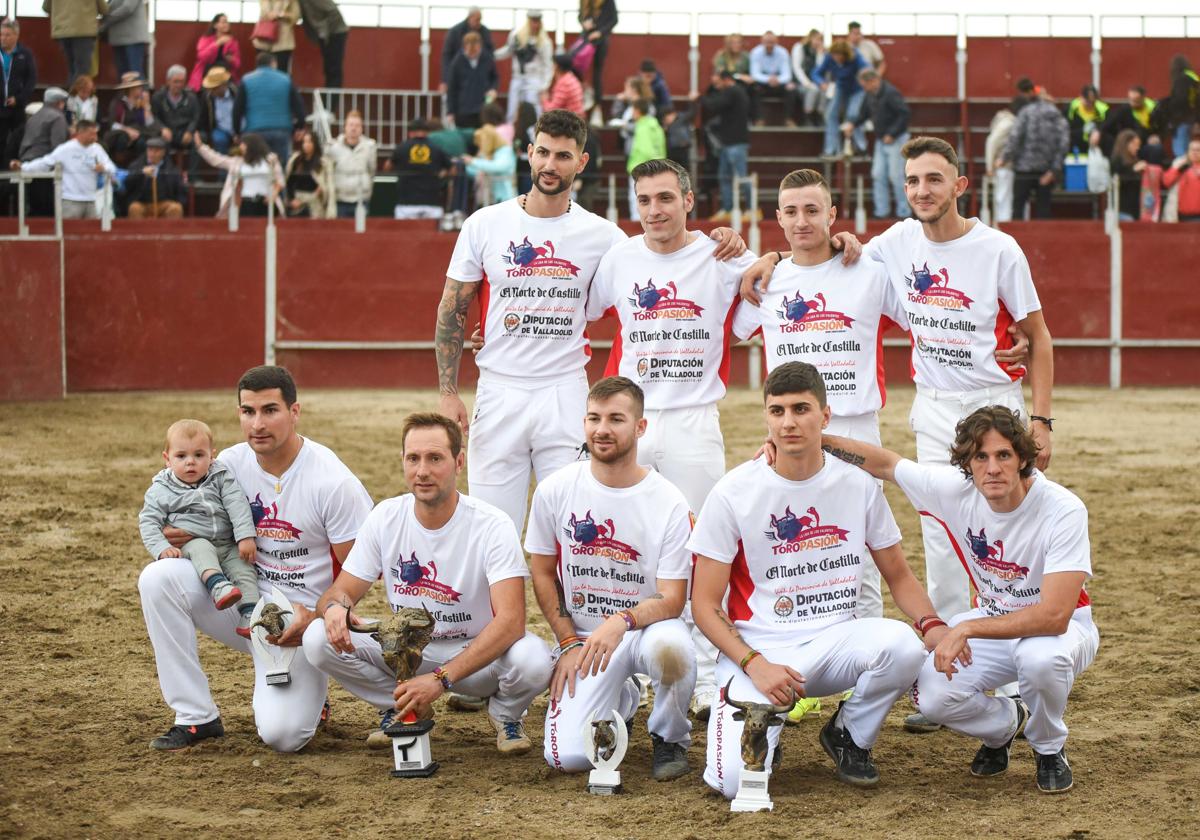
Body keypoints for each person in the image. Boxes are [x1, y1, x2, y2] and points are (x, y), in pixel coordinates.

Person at [741, 137, 1054, 737]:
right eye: (913, 181)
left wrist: (1041, 421)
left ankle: (1011, 676)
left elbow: (1036, 334)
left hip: (996, 402)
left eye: (934, 180)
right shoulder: (892, 246)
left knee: (1010, 538)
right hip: (934, 410)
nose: (922, 191)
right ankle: (954, 674)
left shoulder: (998, 248)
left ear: (961, 185)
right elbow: (824, 252)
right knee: (941, 546)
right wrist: (771, 260)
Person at [434, 109, 742, 532]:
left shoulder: (606, 237)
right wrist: (448, 392)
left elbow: (648, 300)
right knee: (491, 527)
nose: (549, 165)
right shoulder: (485, 224)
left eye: (563, 156)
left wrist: (724, 239)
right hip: (498, 389)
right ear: (528, 154)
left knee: (574, 528)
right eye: (542, 153)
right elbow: (452, 307)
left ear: (581, 162)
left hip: (567, 393)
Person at [690, 362, 939, 796]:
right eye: (778, 411)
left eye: (801, 409)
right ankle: (769, 730)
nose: (789, 422)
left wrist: (935, 627)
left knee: (904, 647)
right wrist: (755, 664)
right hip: (759, 649)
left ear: (824, 417)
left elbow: (898, 575)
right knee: (733, 782)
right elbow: (704, 605)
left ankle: (848, 734)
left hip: (833, 645)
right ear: (766, 417)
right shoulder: (733, 492)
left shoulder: (858, 486)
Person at [822, 405, 1099, 794]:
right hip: (995, 616)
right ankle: (1004, 725)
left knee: (1040, 659)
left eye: (1004, 455)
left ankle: (1048, 747)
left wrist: (965, 627)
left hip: (1066, 629)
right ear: (967, 464)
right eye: (981, 457)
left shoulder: (1063, 509)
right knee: (932, 694)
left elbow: (1054, 617)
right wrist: (801, 441)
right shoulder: (954, 488)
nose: (993, 468)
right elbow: (884, 462)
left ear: (1023, 458)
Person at [584, 158, 757, 717]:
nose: (654, 211)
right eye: (644, 201)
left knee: (702, 550)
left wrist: (765, 251)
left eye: (665, 198)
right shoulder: (620, 257)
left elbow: (781, 280)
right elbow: (579, 309)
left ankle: (705, 677)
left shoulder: (720, 255)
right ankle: (631, 671)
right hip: (631, 420)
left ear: (688, 199)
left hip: (692, 420)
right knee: (625, 541)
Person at [137, 365, 373, 752]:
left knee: (283, 737)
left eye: (270, 410)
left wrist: (315, 616)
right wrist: (183, 528)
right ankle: (196, 717)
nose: (257, 424)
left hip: (297, 623)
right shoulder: (226, 465)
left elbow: (360, 573)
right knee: (159, 577)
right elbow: (167, 487)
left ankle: (312, 695)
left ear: (295, 412)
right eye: (248, 412)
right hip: (240, 603)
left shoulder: (334, 482)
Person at [305, 412, 552, 753]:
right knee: (318, 638)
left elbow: (511, 622)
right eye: (413, 458)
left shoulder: (492, 524)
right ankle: (401, 705)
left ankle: (506, 714)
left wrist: (440, 680)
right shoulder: (386, 517)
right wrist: (335, 609)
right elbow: (340, 591)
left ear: (459, 462)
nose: (422, 471)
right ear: (403, 461)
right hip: (407, 651)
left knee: (535, 660)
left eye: (435, 458)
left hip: (476, 656)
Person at [731, 168, 906, 629]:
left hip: (853, 424)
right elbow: (728, 332)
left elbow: (923, 318)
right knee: (799, 550)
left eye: (812, 210)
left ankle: (861, 669)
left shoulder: (869, 272)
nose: (802, 220)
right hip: (789, 428)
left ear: (832, 214)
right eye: (791, 211)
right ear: (778, 218)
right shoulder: (767, 282)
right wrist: (767, 259)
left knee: (861, 551)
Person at [526, 376, 696, 780]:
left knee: (675, 649)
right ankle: (622, 698)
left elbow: (673, 599)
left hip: (646, 628)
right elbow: (543, 572)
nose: (602, 429)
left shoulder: (669, 501)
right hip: (585, 639)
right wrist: (567, 641)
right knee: (566, 759)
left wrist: (620, 622)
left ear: (640, 428)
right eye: (594, 418)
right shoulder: (555, 490)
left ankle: (669, 736)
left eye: (616, 419)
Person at [139, 419, 259, 636]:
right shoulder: (161, 489)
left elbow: (237, 504)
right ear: (167, 459)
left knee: (244, 569)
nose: (190, 462)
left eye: (199, 455)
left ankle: (250, 613)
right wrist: (160, 548)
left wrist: (244, 537)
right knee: (201, 548)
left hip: (226, 541)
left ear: (212, 456)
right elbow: (148, 522)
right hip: (193, 542)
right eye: (181, 456)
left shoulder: (220, 476)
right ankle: (217, 585)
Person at [14, 119, 114, 219]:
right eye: (91, 134)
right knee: (68, 231)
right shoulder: (66, 149)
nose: (95, 137)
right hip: (70, 200)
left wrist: (104, 168)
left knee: (91, 232)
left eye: (96, 134)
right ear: (81, 132)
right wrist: (23, 167)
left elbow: (112, 167)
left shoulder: (97, 149)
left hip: (91, 199)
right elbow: (45, 162)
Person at [848, 68, 910, 218]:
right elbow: (863, 115)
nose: (864, 88)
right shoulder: (870, 94)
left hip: (896, 140)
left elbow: (904, 114)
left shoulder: (890, 93)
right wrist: (853, 124)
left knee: (896, 176)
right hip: (882, 140)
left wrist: (892, 134)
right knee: (878, 174)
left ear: (873, 81)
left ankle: (904, 212)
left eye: (864, 85)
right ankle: (882, 211)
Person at [1002, 88, 1069, 220]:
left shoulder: (1025, 112)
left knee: (1018, 208)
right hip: (1046, 170)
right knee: (1043, 210)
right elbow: (1064, 144)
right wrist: (1053, 171)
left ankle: (1015, 238)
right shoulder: (1056, 114)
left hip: (1023, 169)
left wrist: (1004, 158)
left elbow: (1015, 138)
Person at [235, 52, 306, 165]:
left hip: (254, 131)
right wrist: (299, 127)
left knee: (256, 166)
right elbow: (299, 105)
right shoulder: (286, 79)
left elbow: (237, 109)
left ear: (257, 65)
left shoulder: (246, 80)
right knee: (280, 169)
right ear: (273, 64)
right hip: (281, 130)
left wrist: (237, 132)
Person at [194, 132, 285, 218]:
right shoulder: (236, 162)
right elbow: (216, 159)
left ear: (252, 145)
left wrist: (273, 194)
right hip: (242, 202)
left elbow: (280, 181)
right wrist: (200, 146)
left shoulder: (271, 160)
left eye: (243, 144)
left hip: (265, 202)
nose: (241, 147)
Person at [700, 70, 751, 222]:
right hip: (731, 141)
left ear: (726, 80)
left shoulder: (733, 92)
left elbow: (713, 105)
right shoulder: (737, 91)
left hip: (734, 141)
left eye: (718, 82)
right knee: (726, 176)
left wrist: (701, 97)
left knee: (738, 176)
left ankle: (751, 208)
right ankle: (733, 208)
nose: (717, 86)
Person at [14, 87, 68, 216]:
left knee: (33, 204)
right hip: (43, 165)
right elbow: (58, 147)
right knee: (46, 207)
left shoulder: (34, 117)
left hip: (27, 163)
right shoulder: (57, 117)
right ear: (59, 103)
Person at [494, 9, 552, 123]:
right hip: (517, 77)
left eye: (537, 21)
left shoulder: (544, 41)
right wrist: (492, 56)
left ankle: (535, 138)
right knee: (512, 109)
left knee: (534, 110)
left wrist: (544, 85)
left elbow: (547, 65)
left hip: (534, 78)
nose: (535, 24)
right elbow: (508, 50)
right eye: (533, 21)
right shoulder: (516, 35)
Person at [812, 40, 868, 157]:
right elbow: (816, 73)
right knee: (830, 115)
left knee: (853, 115)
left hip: (856, 90)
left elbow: (867, 68)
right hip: (840, 87)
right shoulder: (829, 57)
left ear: (846, 54)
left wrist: (865, 76)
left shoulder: (855, 56)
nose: (836, 58)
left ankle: (861, 147)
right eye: (834, 55)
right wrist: (821, 82)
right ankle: (831, 150)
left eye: (839, 56)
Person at [389, 117, 450, 220]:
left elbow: (387, 166)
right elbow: (452, 169)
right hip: (432, 205)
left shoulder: (401, 148)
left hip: (406, 205)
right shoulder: (436, 148)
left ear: (410, 133)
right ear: (427, 132)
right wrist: (442, 174)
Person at [43, 0, 109, 86]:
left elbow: (46, 7)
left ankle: (72, 96)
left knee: (72, 69)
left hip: (62, 31)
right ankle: (79, 97)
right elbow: (103, 9)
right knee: (82, 72)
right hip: (84, 30)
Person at [0, 19, 37, 168]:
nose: (3, 38)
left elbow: (31, 79)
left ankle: (14, 168)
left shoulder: (25, 54)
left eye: (7, 35)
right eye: (1, 34)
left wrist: (20, 99)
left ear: (16, 35)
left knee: (18, 140)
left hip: (17, 107)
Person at [326, 110, 376, 218]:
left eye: (357, 125)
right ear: (345, 127)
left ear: (362, 128)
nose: (354, 128)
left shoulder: (369, 147)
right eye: (351, 125)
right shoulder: (333, 147)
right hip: (340, 199)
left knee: (362, 232)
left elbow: (372, 170)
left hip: (362, 199)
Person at [446, 32, 497, 130]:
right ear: (464, 47)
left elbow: (495, 77)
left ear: (480, 46)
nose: (473, 53)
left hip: (483, 110)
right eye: (470, 51)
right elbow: (452, 88)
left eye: (476, 50)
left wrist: (493, 89)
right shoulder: (457, 62)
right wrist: (450, 111)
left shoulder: (487, 58)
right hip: (463, 111)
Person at [124, 137, 186, 218]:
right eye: (150, 150)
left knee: (176, 208)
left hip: (164, 203)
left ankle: (169, 231)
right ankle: (138, 231)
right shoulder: (136, 165)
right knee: (134, 208)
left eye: (156, 151)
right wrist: (141, 173)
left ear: (163, 152)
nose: (152, 153)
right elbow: (127, 184)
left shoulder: (171, 169)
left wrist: (179, 202)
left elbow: (180, 190)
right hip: (142, 203)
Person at [151, 64, 201, 164]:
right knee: (157, 141)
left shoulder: (191, 97)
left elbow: (195, 118)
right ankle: (167, 174)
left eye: (182, 82)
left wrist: (190, 131)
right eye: (176, 82)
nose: (179, 85)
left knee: (200, 139)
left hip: (184, 132)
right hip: (167, 132)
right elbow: (153, 117)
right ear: (168, 81)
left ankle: (194, 176)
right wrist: (162, 129)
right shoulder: (158, 97)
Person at [104, 72, 159, 159]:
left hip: (140, 133)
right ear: (131, 89)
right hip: (122, 134)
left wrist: (147, 107)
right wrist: (128, 130)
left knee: (142, 142)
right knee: (122, 140)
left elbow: (150, 124)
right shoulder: (118, 103)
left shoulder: (142, 103)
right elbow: (113, 124)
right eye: (138, 88)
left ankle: (140, 166)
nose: (141, 90)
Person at [747, 31, 797, 127]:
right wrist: (768, 79)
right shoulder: (755, 52)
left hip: (779, 82)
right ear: (762, 42)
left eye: (772, 41)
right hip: (762, 83)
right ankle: (759, 120)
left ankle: (788, 119)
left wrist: (777, 80)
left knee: (791, 89)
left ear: (776, 42)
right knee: (753, 89)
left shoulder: (783, 52)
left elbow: (787, 74)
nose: (769, 44)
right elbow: (755, 74)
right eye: (767, 41)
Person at [625, 98, 664, 217]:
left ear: (637, 111)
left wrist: (639, 169)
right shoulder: (656, 125)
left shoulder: (642, 127)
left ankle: (638, 225)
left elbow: (644, 150)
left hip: (641, 170)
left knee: (636, 198)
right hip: (657, 168)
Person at [578, 0, 617, 119]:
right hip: (586, 38)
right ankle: (581, 99)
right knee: (578, 68)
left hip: (600, 40)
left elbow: (614, 20)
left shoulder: (608, 2)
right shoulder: (583, 1)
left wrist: (600, 32)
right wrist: (584, 23)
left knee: (597, 74)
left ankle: (597, 107)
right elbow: (580, 16)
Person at [297, 0, 349, 90]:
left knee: (333, 69)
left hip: (335, 32)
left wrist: (323, 32)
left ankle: (331, 100)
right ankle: (329, 98)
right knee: (329, 68)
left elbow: (332, 12)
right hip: (328, 33)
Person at [440, 7, 494, 93]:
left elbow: (490, 55)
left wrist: (491, 83)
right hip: (459, 76)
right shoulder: (455, 32)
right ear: (470, 17)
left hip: (480, 78)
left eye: (480, 20)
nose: (479, 23)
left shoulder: (485, 32)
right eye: (477, 19)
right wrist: (445, 80)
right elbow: (447, 57)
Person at [464, 118, 516, 207]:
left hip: (505, 199)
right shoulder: (490, 153)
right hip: (489, 199)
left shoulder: (505, 151)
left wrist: (473, 161)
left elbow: (498, 167)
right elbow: (471, 170)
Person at [285, 129, 334, 218]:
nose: (306, 145)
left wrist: (306, 200)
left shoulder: (323, 163)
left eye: (309, 142)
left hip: (315, 205)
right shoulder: (295, 160)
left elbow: (324, 187)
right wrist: (291, 200)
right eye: (304, 142)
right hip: (296, 204)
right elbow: (288, 182)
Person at [1099, 86, 1159, 159]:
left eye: (1136, 100)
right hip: (1129, 142)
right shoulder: (1125, 109)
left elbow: (1161, 126)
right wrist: (1098, 131)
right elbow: (1110, 121)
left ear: (1143, 98)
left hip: (1146, 141)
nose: (1132, 103)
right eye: (1130, 99)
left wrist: (1156, 136)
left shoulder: (1152, 108)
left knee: (1156, 148)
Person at [189, 13, 243, 91]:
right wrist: (217, 43)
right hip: (207, 74)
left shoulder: (233, 41)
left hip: (225, 75)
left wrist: (231, 59)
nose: (226, 24)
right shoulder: (205, 39)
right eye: (223, 22)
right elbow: (201, 57)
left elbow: (238, 64)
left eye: (227, 22)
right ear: (215, 25)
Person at [101, 0, 149, 78]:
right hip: (118, 40)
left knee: (135, 76)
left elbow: (128, 8)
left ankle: (140, 90)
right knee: (123, 78)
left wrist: (107, 19)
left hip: (133, 39)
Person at [985, 107, 1016, 223]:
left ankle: (1002, 223)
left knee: (1002, 197)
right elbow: (991, 142)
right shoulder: (1008, 123)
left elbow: (991, 142)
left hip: (1002, 166)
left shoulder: (1002, 123)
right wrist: (989, 166)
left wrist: (989, 166)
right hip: (1004, 166)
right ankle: (1004, 224)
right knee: (1004, 197)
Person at [1164, 55, 1199, 157]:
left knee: (1180, 150)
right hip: (1191, 119)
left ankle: (1182, 171)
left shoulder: (1180, 79)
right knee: (1189, 149)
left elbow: (1180, 100)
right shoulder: (1194, 79)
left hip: (1180, 120)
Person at [197, 66, 237, 154]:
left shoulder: (236, 93)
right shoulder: (207, 97)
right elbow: (202, 118)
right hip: (220, 129)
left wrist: (237, 133)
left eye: (215, 88)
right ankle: (223, 167)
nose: (211, 91)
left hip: (238, 128)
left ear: (224, 85)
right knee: (219, 139)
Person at [253, 0, 300, 74]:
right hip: (264, 40)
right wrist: (270, 15)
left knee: (281, 72)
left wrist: (281, 14)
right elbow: (262, 14)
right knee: (262, 72)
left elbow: (296, 17)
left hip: (283, 42)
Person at [1109, 129, 1146, 222]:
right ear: (1126, 144)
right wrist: (1133, 170)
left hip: (1136, 208)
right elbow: (1117, 181)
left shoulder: (1135, 160)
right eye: (1134, 144)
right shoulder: (1117, 161)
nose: (1137, 148)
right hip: (1123, 208)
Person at [790, 29, 825, 126]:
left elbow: (820, 69)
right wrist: (807, 83)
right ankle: (808, 117)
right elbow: (797, 68)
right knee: (813, 90)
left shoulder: (819, 52)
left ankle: (819, 115)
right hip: (800, 82)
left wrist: (819, 54)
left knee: (823, 90)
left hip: (816, 82)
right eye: (817, 39)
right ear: (810, 38)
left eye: (820, 40)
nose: (818, 42)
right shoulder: (799, 48)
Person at [1163, 137, 1200, 222]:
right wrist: (1178, 170)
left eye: (1198, 150)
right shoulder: (1179, 164)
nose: (1195, 152)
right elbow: (1166, 182)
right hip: (1182, 216)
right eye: (1192, 150)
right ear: (1187, 151)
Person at [1066, 84, 1108, 154]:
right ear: (1080, 97)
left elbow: (1108, 129)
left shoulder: (1103, 111)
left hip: (1096, 149)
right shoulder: (1071, 109)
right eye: (1087, 101)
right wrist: (1081, 131)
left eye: (1092, 102)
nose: (1090, 105)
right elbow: (1066, 131)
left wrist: (1098, 132)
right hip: (1074, 149)